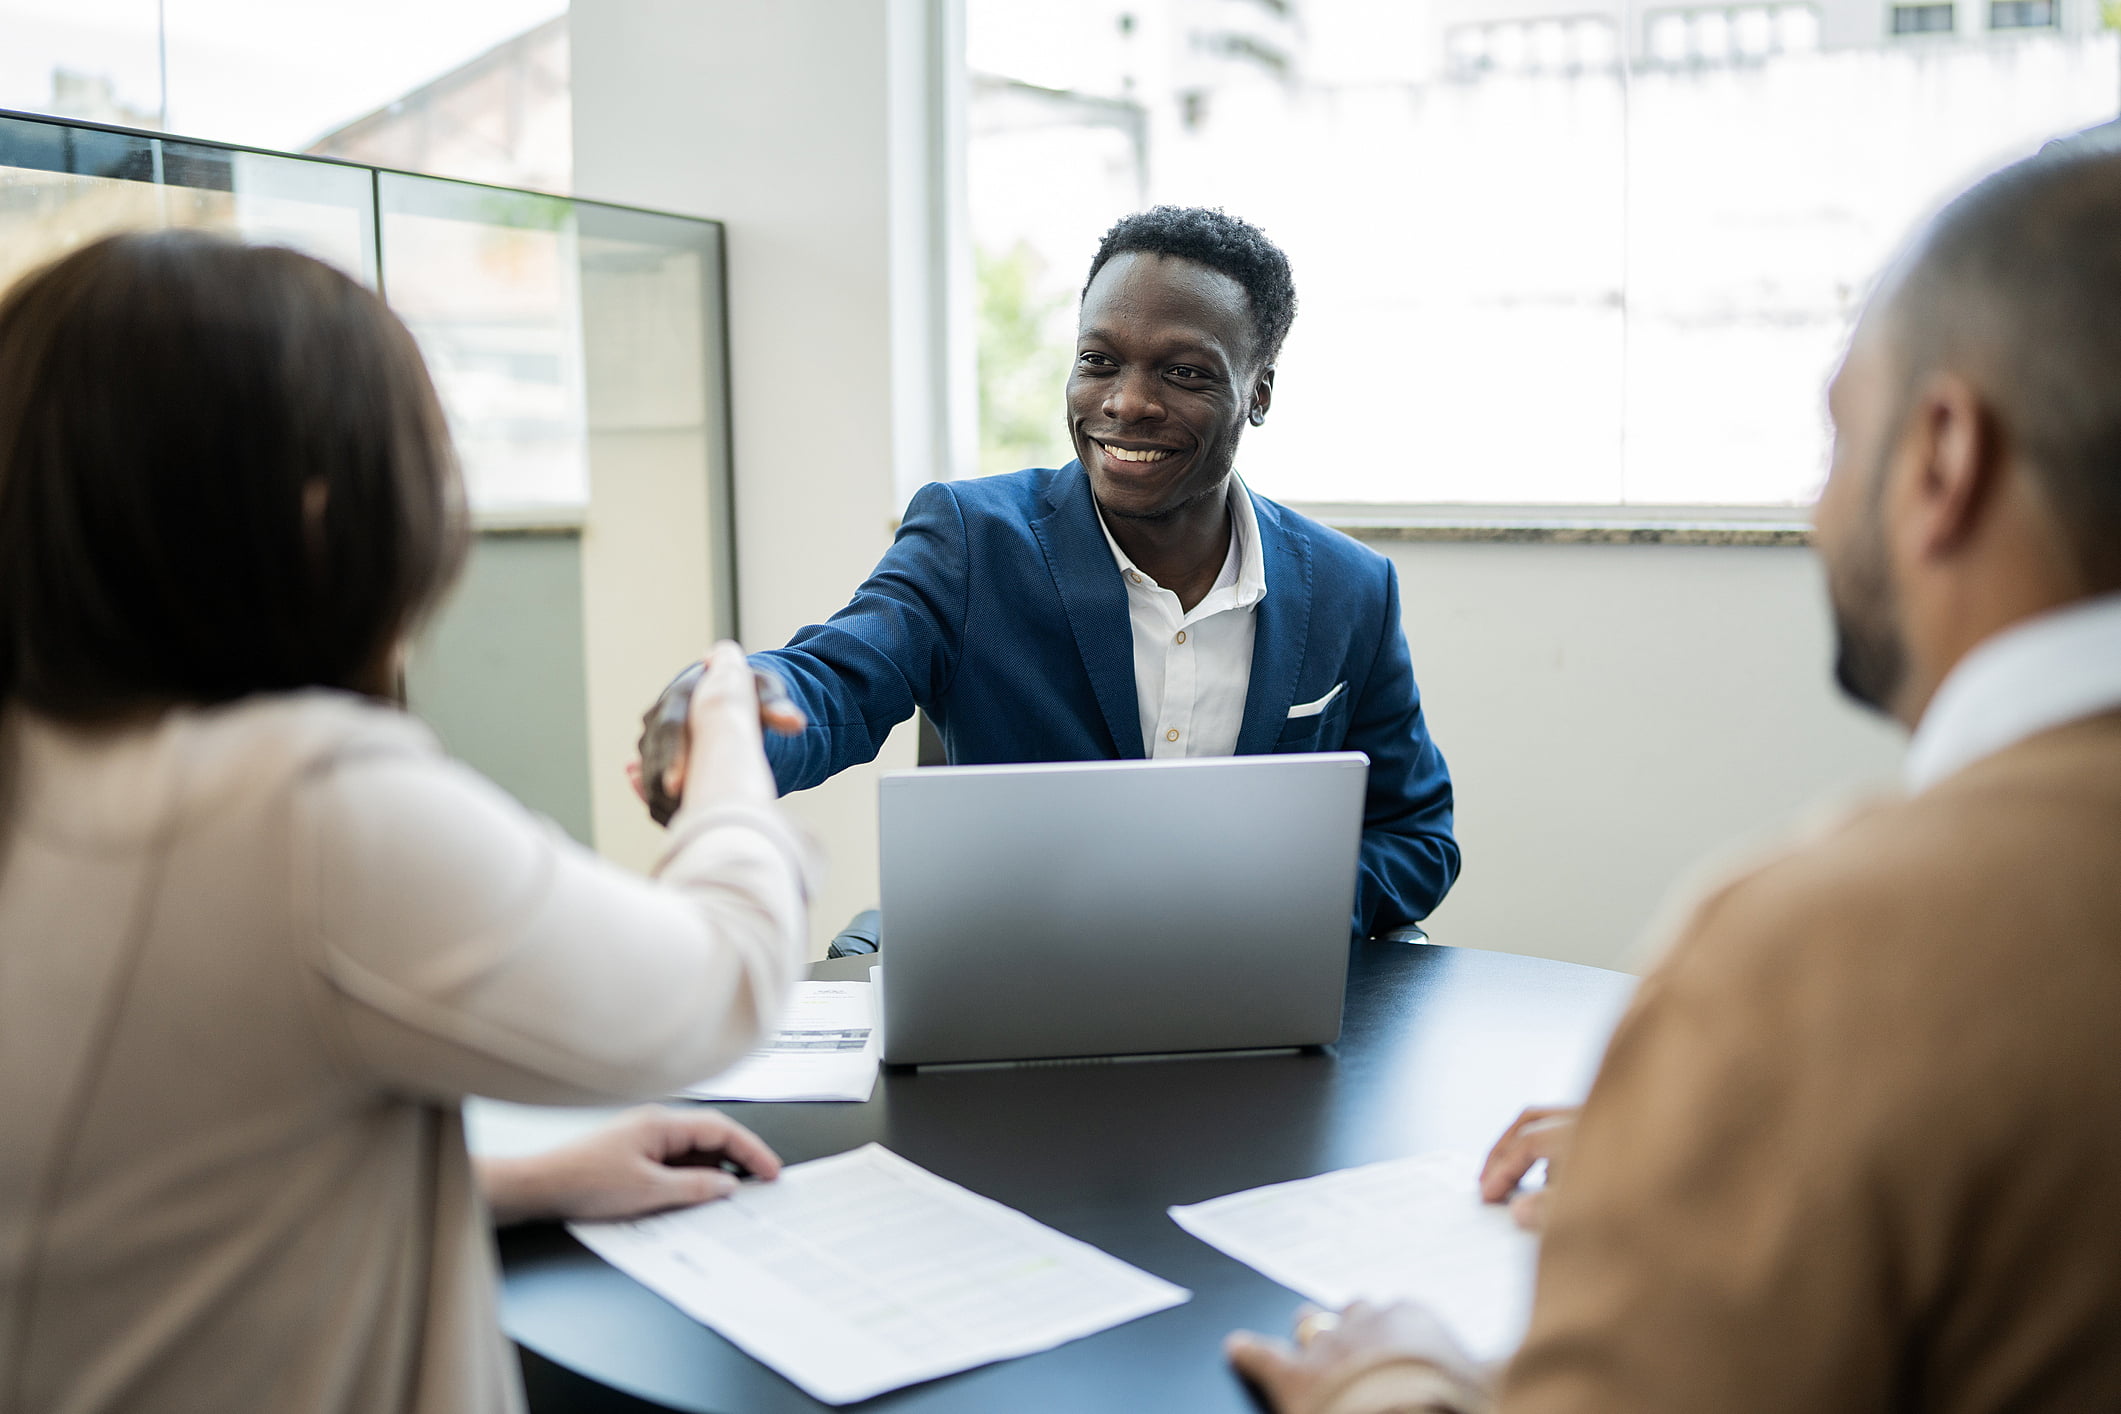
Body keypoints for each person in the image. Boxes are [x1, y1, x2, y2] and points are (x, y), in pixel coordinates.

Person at [1224, 131, 2121, 1410]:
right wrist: (1763, 1144)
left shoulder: (1818, 959)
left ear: (1940, 459)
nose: (1820, 512)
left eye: (1836, 441)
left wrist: (1405, 1380)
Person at [0, 231, 812, 1414]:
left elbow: (146, 1189)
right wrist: (726, 724)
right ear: (323, 512)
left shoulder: (48, 770)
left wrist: (508, 1180)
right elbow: (722, 980)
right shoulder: (295, 800)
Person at [738, 206, 1458, 939]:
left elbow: (1415, 835)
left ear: (1258, 392)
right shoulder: (971, 540)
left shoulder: (1350, 589)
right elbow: (834, 681)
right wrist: (733, 712)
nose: (1126, 402)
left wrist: (1272, 910)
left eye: (1183, 372)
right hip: (1015, 981)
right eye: (1098, 361)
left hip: (1248, 991)